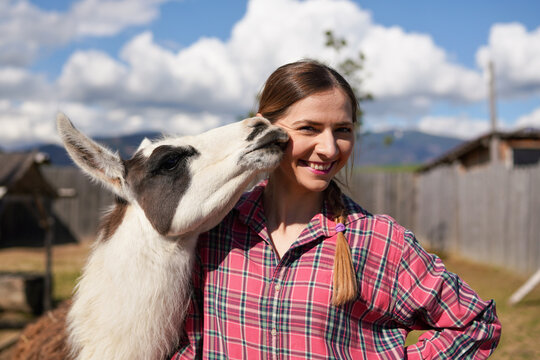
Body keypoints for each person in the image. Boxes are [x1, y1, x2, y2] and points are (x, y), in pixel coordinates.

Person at [172, 60, 501, 359]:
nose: (329, 149)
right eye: (309, 128)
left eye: (342, 130)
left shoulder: (381, 243)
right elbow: (185, 342)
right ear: (263, 130)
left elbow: (476, 324)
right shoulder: (214, 230)